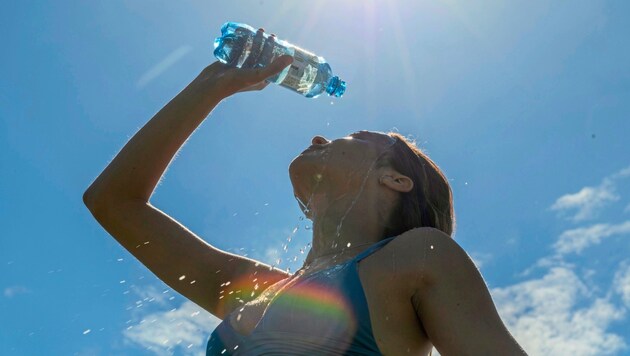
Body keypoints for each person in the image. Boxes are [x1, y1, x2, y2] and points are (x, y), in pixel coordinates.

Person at [83, 30, 527, 355]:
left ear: (395, 179)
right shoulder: (258, 289)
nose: (318, 137)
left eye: (357, 136)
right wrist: (208, 87)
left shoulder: (417, 256)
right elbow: (112, 202)